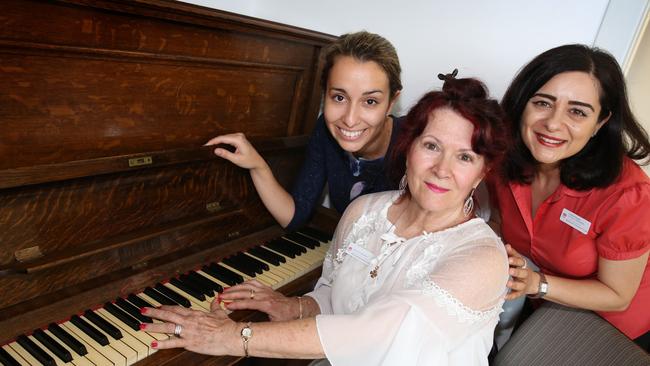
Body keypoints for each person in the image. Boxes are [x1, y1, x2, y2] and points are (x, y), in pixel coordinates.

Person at [143, 75, 510, 365]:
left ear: (483, 171)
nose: (441, 169)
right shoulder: (363, 211)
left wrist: (234, 337)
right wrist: (292, 306)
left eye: (465, 157)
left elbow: (381, 332)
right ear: (409, 146)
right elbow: (334, 296)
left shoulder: (483, 257)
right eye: (431, 146)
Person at [488, 44, 650, 350]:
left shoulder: (628, 193)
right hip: (542, 307)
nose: (552, 123)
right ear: (523, 104)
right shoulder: (504, 157)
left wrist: (538, 284)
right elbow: (498, 221)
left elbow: (617, 295)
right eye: (543, 103)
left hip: (615, 328)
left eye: (577, 111)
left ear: (600, 123)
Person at [205, 31, 404, 230]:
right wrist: (258, 166)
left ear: (391, 102)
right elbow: (295, 216)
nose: (350, 120)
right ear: (324, 94)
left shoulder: (416, 144)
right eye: (339, 97)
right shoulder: (327, 131)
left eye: (370, 101)